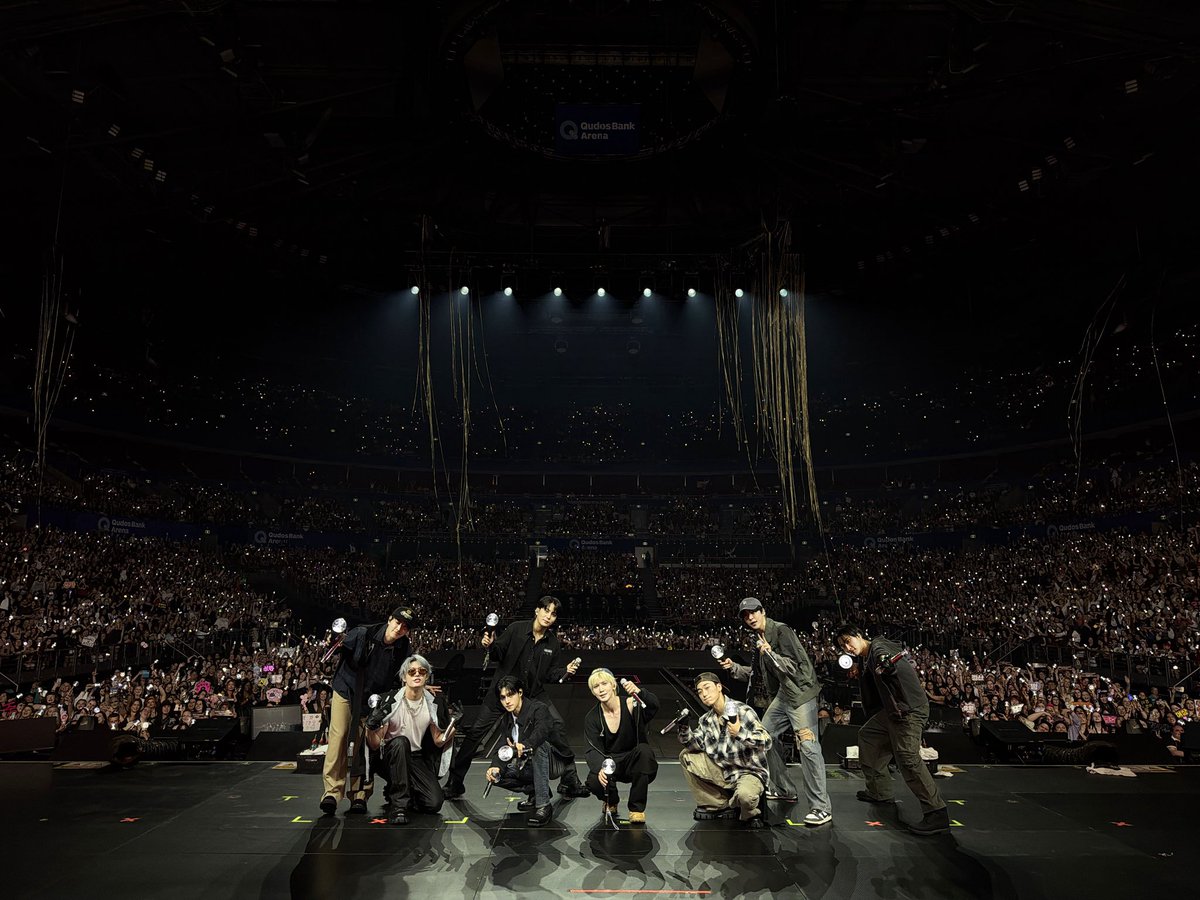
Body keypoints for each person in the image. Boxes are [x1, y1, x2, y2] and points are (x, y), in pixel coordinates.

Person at [445, 595, 588, 799]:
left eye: (553, 613)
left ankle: (570, 780)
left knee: (557, 725)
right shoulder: (516, 629)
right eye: (546, 610)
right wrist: (490, 645)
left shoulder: (553, 643)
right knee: (475, 733)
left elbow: (549, 674)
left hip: (531, 695)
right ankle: (455, 782)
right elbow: (497, 653)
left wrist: (564, 671)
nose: (548, 616)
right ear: (537, 611)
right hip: (502, 692)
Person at [721, 596, 832, 826]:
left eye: (753, 612)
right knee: (764, 737)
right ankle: (784, 788)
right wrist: (733, 668)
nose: (750, 618)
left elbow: (794, 665)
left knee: (809, 747)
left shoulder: (781, 631)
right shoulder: (759, 638)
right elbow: (757, 674)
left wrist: (770, 653)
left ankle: (821, 807)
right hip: (784, 694)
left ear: (762, 611)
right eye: (745, 615)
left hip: (800, 693)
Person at [835, 622, 949, 835]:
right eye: (843, 647)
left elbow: (886, 659)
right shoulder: (865, 658)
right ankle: (879, 791)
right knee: (868, 736)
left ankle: (937, 813)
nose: (847, 648)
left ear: (859, 635)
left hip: (909, 709)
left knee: (907, 757)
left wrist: (886, 664)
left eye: (848, 642)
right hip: (892, 711)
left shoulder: (879, 648)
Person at [319, 606, 413, 816]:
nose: (399, 628)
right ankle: (332, 793)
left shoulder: (403, 647)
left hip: (373, 700)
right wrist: (335, 641)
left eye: (405, 627)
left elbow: (405, 674)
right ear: (389, 619)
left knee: (365, 745)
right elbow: (338, 646)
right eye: (397, 622)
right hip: (347, 690)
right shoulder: (364, 633)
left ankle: (360, 794)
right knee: (339, 737)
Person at [365, 654, 457, 825]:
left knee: (434, 803)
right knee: (401, 742)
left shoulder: (432, 703)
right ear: (403, 677)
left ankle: (404, 792)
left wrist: (453, 724)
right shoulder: (390, 701)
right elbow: (375, 744)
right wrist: (370, 727)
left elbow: (438, 740)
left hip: (415, 757)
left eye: (422, 671)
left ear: (427, 676)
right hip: (390, 756)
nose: (417, 674)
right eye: (412, 671)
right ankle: (399, 806)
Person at [676, 671, 772, 829]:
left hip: (748, 772)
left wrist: (740, 732)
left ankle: (747, 811)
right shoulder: (706, 720)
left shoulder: (742, 711)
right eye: (700, 691)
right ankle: (717, 804)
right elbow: (694, 745)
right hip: (725, 771)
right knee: (686, 756)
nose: (704, 694)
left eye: (707, 688)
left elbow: (767, 741)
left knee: (745, 797)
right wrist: (684, 727)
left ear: (719, 687)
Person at [482, 675, 572, 827]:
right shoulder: (507, 718)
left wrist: (525, 745)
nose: (507, 701)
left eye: (510, 695)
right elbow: (502, 746)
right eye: (503, 697)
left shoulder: (538, 709)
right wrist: (495, 766)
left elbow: (541, 732)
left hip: (553, 762)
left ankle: (543, 805)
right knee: (496, 776)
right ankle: (535, 792)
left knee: (538, 747)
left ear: (520, 693)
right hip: (528, 764)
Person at [582, 668, 659, 824]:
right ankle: (612, 800)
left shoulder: (631, 703)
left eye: (604, 684)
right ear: (593, 692)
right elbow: (591, 749)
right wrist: (600, 768)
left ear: (613, 685)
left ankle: (636, 809)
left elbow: (653, 706)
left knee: (644, 751)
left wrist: (640, 692)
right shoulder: (592, 717)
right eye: (596, 687)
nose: (601, 689)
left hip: (633, 759)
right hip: (610, 762)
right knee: (594, 781)